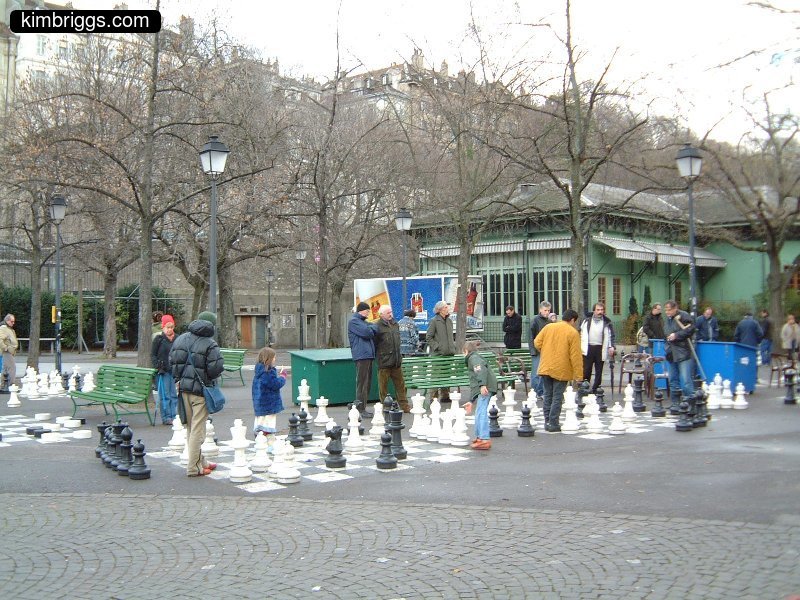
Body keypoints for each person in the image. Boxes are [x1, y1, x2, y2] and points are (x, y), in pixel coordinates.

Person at [169, 312, 224, 477]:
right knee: (198, 431)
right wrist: (208, 378)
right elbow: (216, 368)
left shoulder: (181, 339)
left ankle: (202, 462)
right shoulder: (210, 343)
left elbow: (173, 361)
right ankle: (193, 467)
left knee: (190, 428)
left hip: (183, 389)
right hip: (201, 391)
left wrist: (180, 378)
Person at [534, 308, 583, 432]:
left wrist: (545, 351)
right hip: (562, 369)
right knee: (557, 397)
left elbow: (536, 342)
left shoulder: (548, 327)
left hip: (545, 367)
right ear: (572, 320)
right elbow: (575, 356)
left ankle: (547, 422)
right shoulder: (572, 333)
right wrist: (579, 375)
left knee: (547, 395)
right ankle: (554, 422)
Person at [374, 305, 408, 412]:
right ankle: (385, 406)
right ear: (381, 314)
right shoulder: (377, 326)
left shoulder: (395, 324)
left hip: (396, 361)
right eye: (388, 312)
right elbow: (374, 344)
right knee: (383, 387)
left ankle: (404, 405)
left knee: (401, 385)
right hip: (384, 361)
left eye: (391, 312)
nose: (390, 314)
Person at [463, 340, 496, 450]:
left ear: (466, 351)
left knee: (481, 412)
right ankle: (479, 437)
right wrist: (471, 401)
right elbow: (474, 382)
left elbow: (480, 370)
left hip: (486, 387)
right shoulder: (474, 357)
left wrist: (482, 385)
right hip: (486, 386)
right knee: (479, 411)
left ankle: (484, 438)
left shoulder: (473, 358)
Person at [663, 300, 696, 405]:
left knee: (686, 380)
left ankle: (690, 404)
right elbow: (666, 333)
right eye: (666, 310)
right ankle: (675, 404)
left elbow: (691, 328)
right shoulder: (668, 319)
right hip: (671, 352)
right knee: (673, 380)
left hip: (682, 352)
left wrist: (676, 335)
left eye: (669, 310)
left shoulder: (683, 316)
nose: (667, 312)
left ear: (675, 308)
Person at [252, 346, 286, 445]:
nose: (275, 359)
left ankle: (261, 439)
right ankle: (267, 443)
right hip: (269, 404)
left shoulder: (258, 372)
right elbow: (275, 384)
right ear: (269, 359)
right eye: (274, 357)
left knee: (261, 423)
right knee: (268, 424)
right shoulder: (267, 372)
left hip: (259, 403)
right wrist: (283, 376)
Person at [579, 302, 616, 393]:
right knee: (586, 369)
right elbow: (580, 333)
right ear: (594, 311)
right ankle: (585, 387)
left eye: (602, 310)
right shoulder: (586, 321)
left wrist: (611, 347)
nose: (600, 312)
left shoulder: (607, 322)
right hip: (588, 347)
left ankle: (596, 389)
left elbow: (611, 336)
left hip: (600, 348)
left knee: (599, 370)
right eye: (598, 310)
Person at [348, 301, 376, 418]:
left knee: (367, 383)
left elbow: (374, 327)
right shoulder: (354, 321)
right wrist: (371, 328)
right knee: (362, 383)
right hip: (361, 355)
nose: (369, 313)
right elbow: (367, 332)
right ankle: (359, 408)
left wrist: (371, 327)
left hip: (367, 355)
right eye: (367, 311)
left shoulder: (362, 322)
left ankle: (362, 407)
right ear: (361, 310)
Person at [425, 300, 456, 403]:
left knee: (446, 375)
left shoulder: (449, 321)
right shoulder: (434, 321)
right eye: (446, 307)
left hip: (449, 353)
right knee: (436, 376)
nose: (448, 309)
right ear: (440, 310)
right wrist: (437, 347)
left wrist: (452, 347)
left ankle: (445, 395)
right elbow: (428, 337)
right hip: (438, 354)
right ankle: (433, 397)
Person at [151, 314, 179, 425]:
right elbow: (153, 355)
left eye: (171, 327)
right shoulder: (159, 339)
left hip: (175, 370)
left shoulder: (177, 338)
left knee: (174, 395)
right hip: (163, 371)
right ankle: (166, 417)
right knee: (165, 395)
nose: (170, 330)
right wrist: (157, 366)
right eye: (167, 327)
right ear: (163, 327)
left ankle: (174, 416)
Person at [528, 301, 552, 399]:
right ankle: (535, 391)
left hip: (547, 351)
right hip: (537, 351)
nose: (547, 312)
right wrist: (533, 350)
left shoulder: (550, 322)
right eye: (545, 310)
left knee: (544, 373)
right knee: (536, 373)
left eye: (548, 310)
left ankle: (541, 392)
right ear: (540, 310)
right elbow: (530, 337)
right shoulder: (535, 321)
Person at [0, 314, 18, 390]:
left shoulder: (9, 329)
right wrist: (6, 348)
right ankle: (11, 385)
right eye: (12, 321)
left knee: (5, 369)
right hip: (7, 352)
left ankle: (3, 385)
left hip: (10, 352)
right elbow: (0, 339)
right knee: (12, 368)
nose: (13, 323)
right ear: (7, 321)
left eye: (14, 321)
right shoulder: (3, 328)